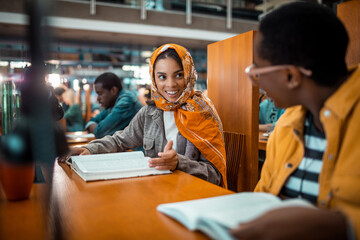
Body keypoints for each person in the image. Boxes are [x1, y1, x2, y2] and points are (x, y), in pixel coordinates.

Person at [231, 2, 360, 240]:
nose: (256, 82)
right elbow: (263, 197)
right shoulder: (288, 124)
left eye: (258, 72)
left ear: (290, 76)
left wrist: (341, 228)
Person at [60, 44, 227, 187]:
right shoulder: (150, 112)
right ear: (154, 79)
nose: (170, 84)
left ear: (189, 75)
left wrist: (179, 163)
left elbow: (215, 176)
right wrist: (89, 149)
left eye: (179, 75)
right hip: (156, 191)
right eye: (162, 77)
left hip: (190, 198)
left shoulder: (203, 114)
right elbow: (120, 140)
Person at [85, 72, 142, 138]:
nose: (98, 99)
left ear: (113, 91)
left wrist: (95, 128)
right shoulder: (112, 104)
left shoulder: (125, 102)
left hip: (138, 148)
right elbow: (92, 120)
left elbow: (100, 132)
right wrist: (95, 127)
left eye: (100, 93)